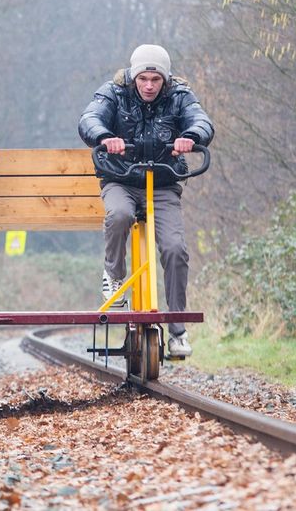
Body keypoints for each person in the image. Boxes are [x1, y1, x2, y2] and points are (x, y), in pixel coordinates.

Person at [77, 44, 214, 358]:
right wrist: (103, 137)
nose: (149, 85)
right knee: (120, 215)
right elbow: (89, 119)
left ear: (164, 79)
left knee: (175, 249)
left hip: (163, 182)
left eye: (155, 79)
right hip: (121, 178)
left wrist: (191, 137)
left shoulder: (179, 95)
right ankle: (113, 274)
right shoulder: (114, 91)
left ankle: (178, 328)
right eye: (143, 78)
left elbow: (202, 121)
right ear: (134, 77)